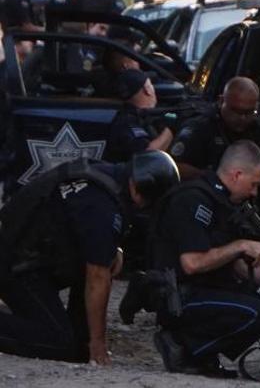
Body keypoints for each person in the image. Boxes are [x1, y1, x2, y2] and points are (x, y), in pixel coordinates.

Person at [0, 152, 179, 364]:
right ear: (140, 191)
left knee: (78, 348)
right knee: (60, 343)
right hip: (16, 267)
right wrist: (98, 343)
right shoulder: (102, 206)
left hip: (25, 255)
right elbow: (97, 277)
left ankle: (81, 338)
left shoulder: (107, 175)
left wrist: (114, 248)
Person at [150, 141, 260, 378]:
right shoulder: (193, 199)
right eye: (254, 184)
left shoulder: (222, 203)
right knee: (259, 312)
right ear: (237, 175)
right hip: (180, 298)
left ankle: (204, 354)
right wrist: (241, 246)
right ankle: (181, 345)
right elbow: (193, 263)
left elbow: (232, 262)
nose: (255, 192)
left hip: (207, 290)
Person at [169, 76, 260, 193]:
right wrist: (214, 180)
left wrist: (253, 186)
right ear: (221, 101)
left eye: (249, 112)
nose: (242, 118)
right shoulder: (200, 127)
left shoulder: (257, 132)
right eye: (236, 111)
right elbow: (175, 166)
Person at [105, 69, 174, 163]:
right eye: (151, 85)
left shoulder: (131, 114)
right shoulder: (127, 122)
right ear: (147, 90)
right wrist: (171, 129)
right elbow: (148, 155)